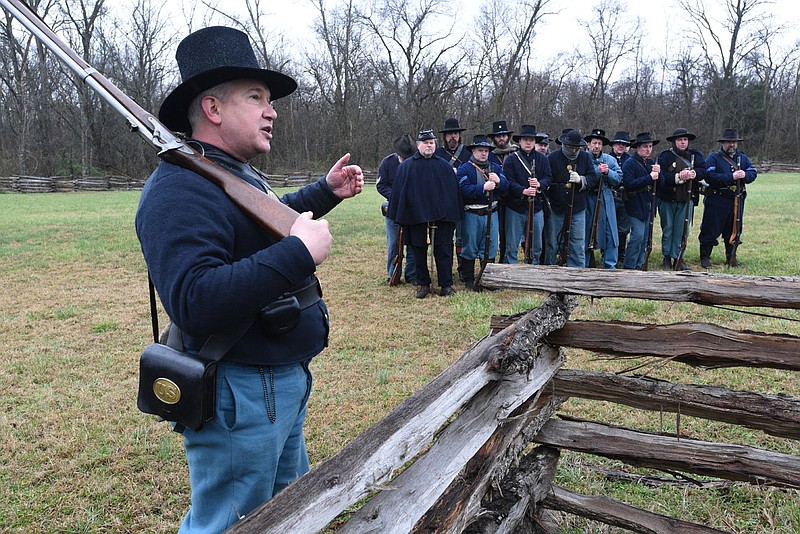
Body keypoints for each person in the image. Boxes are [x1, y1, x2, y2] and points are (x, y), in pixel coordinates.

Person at [135, 26, 364, 533]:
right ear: (213, 109)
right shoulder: (178, 189)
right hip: (241, 389)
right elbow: (194, 301)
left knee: (286, 516)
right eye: (256, 97)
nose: (273, 110)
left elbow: (268, 217)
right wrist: (298, 255)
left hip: (276, 379)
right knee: (228, 525)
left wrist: (324, 194)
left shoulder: (227, 173)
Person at [387, 129, 462, 298]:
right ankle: (423, 284)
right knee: (418, 252)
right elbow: (400, 193)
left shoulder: (444, 165)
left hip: (441, 219)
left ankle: (446, 285)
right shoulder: (407, 167)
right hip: (415, 218)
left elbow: (452, 193)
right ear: (419, 145)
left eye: (432, 143)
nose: (429, 145)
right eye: (426, 142)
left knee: (443, 251)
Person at [699, 128, 758, 268]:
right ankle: (705, 257)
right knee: (710, 229)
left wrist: (745, 175)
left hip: (736, 199)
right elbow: (709, 176)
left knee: (734, 229)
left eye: (734, 142)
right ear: (723, 143)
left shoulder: (742, 158)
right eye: (728, 142)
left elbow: (753, 172)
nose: (732, 145)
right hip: (717, 199)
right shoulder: (714, 158)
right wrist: (731, 177)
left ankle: (730, 257)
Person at [457, 134, 510, 289]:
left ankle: (488, 279)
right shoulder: (464, 168)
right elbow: (463, 189)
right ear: (473, 151)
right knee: (470, 246)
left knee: (490, 246)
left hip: (491, 212)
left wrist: (499, 181)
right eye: (480, 150)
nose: (484, 154)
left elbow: (507, 188)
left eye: (486, 151)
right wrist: (482, 188)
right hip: (472, 214)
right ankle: (468, 279)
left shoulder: (495, 167)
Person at [543, 129, 598, 267]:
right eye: (570, 147)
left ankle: (577, 273)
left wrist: (581, 179)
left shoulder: (585, 158)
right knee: (552, 243)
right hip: (557, 206)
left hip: (578, 206)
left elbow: (592, 178)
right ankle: (550, 270)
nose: (573, 151)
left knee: (578, 243)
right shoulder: (552, 158)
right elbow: (547, 179)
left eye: (576, 148)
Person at [656, 128, 707, 270]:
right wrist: (679, 177)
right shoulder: (665, 156)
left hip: (686, 198)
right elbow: (663, 177)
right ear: (674, 142)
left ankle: (679, 257)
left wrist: (693, 173)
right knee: (668, 229)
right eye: (679, 140)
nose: (683, 142)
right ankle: (666, 257)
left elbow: (703, 171)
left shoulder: (695, 155)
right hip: (667, 198)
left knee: (682, 230)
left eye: (685, 140)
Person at [501, 124, 552, 264]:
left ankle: (533, 268)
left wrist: (539, 184)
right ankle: (510, 270)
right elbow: (508, 181)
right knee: (512, 244)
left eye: (531, 140)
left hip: (536, 207)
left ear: (535, 141)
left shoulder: (543, 159)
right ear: (520, 141)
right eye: (525, 139)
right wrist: (523, 191)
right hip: (515, 207)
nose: (528, 142)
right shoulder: (511, 159)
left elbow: (548, 177)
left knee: (536, 245)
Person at [377, 134, 417, 283]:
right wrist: (397, 196)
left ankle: (412, 275)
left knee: (413, 243)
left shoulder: (417, 163)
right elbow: (381, 185)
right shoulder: (387, 163)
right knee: (394, 244)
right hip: (394, 209)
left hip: (413, 209)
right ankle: (393, 273)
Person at [434, 117, 469, 282]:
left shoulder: (468, 153)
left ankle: (463, 269)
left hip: (463, 201)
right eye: (449, 134)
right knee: (445, 240)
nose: (452, 137)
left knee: (462, 239)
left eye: (455, 133)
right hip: (443, 203)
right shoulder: (437, 154)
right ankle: (445, 272)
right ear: (445, 136)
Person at [621, 132, 661, 270]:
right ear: (638, 148)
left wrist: (659, 175)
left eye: (650, 146)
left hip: (648, 205)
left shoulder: (651, 163)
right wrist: (650, 177)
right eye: (645, 146)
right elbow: (629, 183)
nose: (648, 149)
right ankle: (629, 266)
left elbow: (661, 184)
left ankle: (639, 265)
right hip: (634, 205)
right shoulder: (630, 163)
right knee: (637, 237)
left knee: (644, 239)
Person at [584, 129, 622, 269]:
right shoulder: (583, 158)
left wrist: (608, 172)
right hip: (588, 199)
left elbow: (618, 178)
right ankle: (585, 265)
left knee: (611, 233)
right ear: (588, 144)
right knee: (587, 232)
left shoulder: (610, 160)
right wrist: (597, 172)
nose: (597, 146)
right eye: (594, 143)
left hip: (606, 199)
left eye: (599, 143)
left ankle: (610, 266)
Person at [487, 120, 517, 263]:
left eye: (504, 136)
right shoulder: (489, 154)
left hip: (513, 197)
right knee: (492, 231)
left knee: (508, 232)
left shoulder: (515, 153)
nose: (501, 139)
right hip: (494, 197)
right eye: (498, 136)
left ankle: (505, 259)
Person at [609, 131, 632, 267]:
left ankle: (621, 253)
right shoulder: (606, 158)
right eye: (618, 144)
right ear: (613, 145)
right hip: (610, 195)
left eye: (623, 144)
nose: (621, 147)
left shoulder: (629, 160)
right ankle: (608, 253)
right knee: (609, 227)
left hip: (624, 197)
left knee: (623, 228)